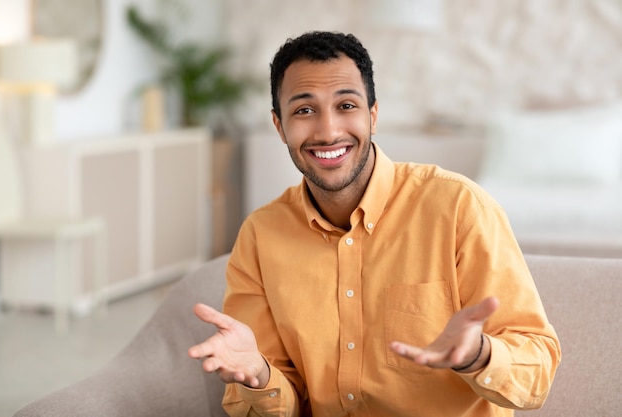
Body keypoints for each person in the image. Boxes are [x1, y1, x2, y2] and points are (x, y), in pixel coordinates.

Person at [188, 31, 561, 416]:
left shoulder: (458, 208)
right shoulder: (260, 236)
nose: (328, 131)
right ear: (279, 126)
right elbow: (280, 402)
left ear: (373, 115)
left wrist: (478, 355)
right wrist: (260, 376)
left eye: (346, 105)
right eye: (303, 110)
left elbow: (538, 370)